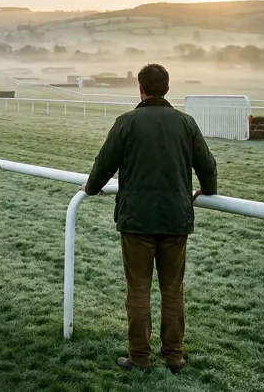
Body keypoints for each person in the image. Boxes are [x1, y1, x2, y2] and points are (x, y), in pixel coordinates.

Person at [80, 63, 217, 373]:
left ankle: (139, 358)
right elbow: (207, 165)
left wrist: (90, 188)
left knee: (139, 291)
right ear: (166, 88)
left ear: (140, 88)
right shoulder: (186, 123)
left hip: (136, 220)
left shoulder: (126, 122)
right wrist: (207, 190)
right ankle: (174, 356)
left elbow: (104, 164)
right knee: (172, 290)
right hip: (175, 219)